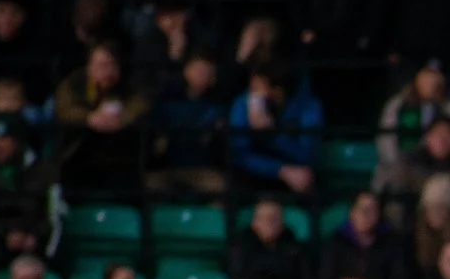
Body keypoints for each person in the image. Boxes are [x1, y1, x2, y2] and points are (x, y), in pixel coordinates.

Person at [54, 42, 149, 192]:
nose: (108, 71)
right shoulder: (74, 83)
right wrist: (89, 117)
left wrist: (123, 118)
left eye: (112, 65)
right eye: (102, 65)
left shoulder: (129, 84)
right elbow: (64, 109)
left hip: (121, 158)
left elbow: (140, 104)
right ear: (89, 67)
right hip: (78, 155)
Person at [227, 60, 321, 196]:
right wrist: (279, 170)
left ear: (278, 90)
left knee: (306, 181)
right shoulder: (243, 103)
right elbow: (238, 153)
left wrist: (274, 135)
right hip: (255, 172)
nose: (255, 92)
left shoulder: (309, 106)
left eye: (260, 87)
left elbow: (307, 155)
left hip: (296, 172)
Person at [0, 116, 55, 268]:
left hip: (34, 250)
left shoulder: (42, 173)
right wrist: (5, 235)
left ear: (18, 142)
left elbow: (51, 215)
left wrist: (34, 236)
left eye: (5, 140)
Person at [146, 49, 227, 195]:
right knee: (149, 184)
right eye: (197, 70)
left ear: (213, 77)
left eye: (206, 72)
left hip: (202, 169)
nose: (201, 75)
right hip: (168, 168)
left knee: (221, 186)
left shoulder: (218, 107)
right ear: (186, 71)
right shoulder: (167, 102)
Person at [321, 190, 412, 279]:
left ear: (379, 214)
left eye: (371, 209)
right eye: (361, 208)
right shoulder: (336, 243)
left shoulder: (393, 244)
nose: (365, 214)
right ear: (352, 213)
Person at [376, 61, 450, 191]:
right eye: (427, 75)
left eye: (436, 75)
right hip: (402, 169)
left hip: (442, 171)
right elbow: (386, 142)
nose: (432, 81)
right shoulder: (398, 105)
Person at [227, 197, 315, 279]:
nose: (268, 223)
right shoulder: (241, 248)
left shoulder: (295, 249)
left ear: (282, 223)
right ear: (254, 223)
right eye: (263, 218)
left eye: (274, 218)